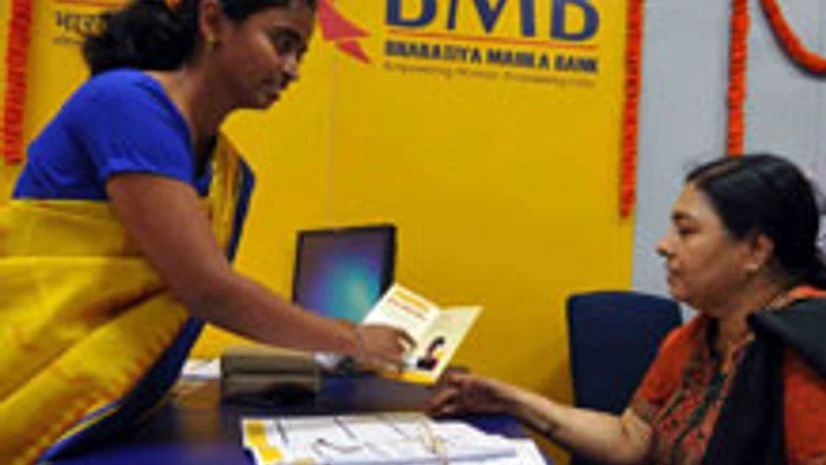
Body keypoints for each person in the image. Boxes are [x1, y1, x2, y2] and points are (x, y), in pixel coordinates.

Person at [0, 0, 412, 462]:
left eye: (301, 54)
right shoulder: (124, 102)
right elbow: (205, 287)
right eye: (281, 43)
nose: (292, 70)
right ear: (213, 21)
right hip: (23, 388)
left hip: (115, 413)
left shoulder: (227, 171)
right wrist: (354, 341)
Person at [429, 154, 826, 465]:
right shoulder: (698, 336)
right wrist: (510, 401)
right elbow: (631, 437)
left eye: (686, 231)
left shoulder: (805, 352)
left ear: (756, 250)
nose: (664, 246)